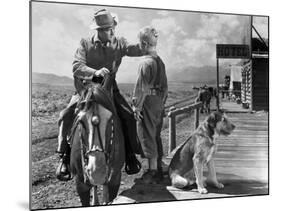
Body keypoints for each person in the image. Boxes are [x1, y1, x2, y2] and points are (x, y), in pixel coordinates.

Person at [56, 9, 143, 181]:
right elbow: (76, 66)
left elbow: (134, 49)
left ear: (113, 28)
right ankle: (64, 157)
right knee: (66, 115)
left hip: (110, 88)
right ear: (97, 30)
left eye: (109, 28)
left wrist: (146, 43)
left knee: (127, 116)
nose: (107, 31)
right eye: (103, 29)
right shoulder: (85, 44)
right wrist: (95, 72)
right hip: (86, 88)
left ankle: (130, 155)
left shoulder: (120, 43)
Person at [132, 26, 168, 184]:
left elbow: (141, 88)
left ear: (145, 43)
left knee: (147, 134)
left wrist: (136, 106)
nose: (139, 46)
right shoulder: (160, 62)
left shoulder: (145, 63)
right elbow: (166, 87)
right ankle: (159, 167)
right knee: (156, 134)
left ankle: (152, 171)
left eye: (140, 43)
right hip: (158, 101)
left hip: (147, 101)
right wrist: (162, 103)